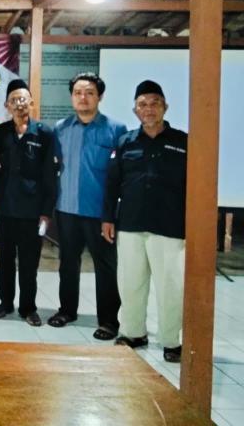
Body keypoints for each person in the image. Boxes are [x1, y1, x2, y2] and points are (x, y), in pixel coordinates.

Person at [102, 80, 187, 363]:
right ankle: (133, 333)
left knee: (170, 287)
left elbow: (195, 186)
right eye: (143, 104)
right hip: (131, 224)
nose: (149, 109)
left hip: (169, 226)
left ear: (165, 107)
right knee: (130, 283)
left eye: (154, 103)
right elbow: (112, 183)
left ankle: (171, 341)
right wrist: (107, 218)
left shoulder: (183, 142)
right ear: (135, 110)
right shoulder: (126, 142)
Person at [48, 72, 127, 340]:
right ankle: (66, 311)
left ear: (99, 97)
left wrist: (111, 215)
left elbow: (119, 176)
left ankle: (108, 321)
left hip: (100, 213)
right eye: (78, 93)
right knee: (68, 264)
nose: (83, 97)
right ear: (72, 97)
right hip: (67, 209)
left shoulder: (116, 130)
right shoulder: (61, 128)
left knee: (105, 267)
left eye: (90, 93)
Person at [0, 79, 57, 327]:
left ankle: (28, 308)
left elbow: (49, 174)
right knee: (5, 259)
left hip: (32, 211)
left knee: (29, 263)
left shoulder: (45, 133)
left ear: (31, 102)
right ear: (7, 105)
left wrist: (46, 211)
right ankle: (5, 303)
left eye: (22, 99)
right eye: (14, 100)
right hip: (5, 208)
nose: (19, 103)